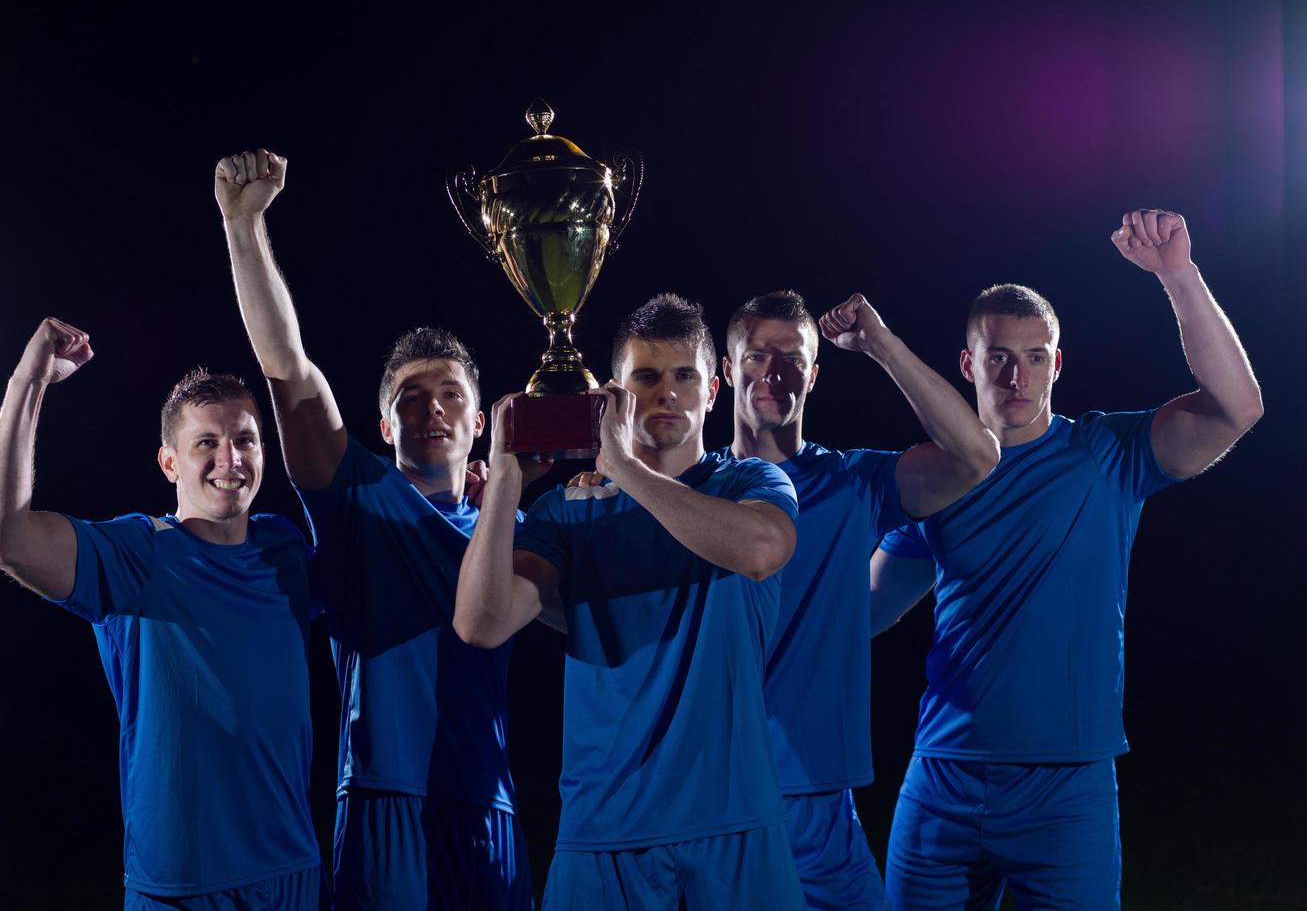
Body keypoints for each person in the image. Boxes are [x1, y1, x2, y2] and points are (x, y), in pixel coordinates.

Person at [871, 210, 1263, 909]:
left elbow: (1236, 408)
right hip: (942, 777)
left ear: (1057, 362)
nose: (1015, 375)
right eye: (996, 356)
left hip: (1065, 786)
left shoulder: (1106, 452)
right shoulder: (935, 478)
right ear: (967, 364)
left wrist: (1177, 274)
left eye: (1032, 356)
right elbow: (860, 613)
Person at [215, 148, 535, 909]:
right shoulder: (355, 496)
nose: (431, 409)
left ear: (481, 417)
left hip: (489, 805)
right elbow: (287, 370)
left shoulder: (515, 523)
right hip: (380, 803)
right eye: (411, 396)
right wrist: (243, 225)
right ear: (382, 420)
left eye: (450, 394)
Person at [456, 293, 807, 909]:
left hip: (732, 823)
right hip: (603, 832)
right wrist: (505, 479)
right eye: (646, 377)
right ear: (612, 395)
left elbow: (761, 550)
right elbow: (481, 624)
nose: (666, 393)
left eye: (684, 376)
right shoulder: (566, 509)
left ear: (713, 391)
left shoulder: (751, 481)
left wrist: (623, 467)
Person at [0, 319, 324, 909]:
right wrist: (30, 381)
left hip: (292, 873)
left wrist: (466, 499)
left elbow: (387, 569)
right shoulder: (138, 552)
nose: (230, 457)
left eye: (245, 440)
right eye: (207, 442)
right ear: (169, 463)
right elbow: (11, 538)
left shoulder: (286, 549)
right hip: (181, 887)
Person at [722, 289, 998, 909]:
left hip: (819, 795)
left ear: (815, 376)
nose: (775, 372)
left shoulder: (848, 482)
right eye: (758, 355)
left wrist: (880, 344)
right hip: (717, 789)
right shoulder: (695, 490)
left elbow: (978, 457)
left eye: (793, 358)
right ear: (727, 370)